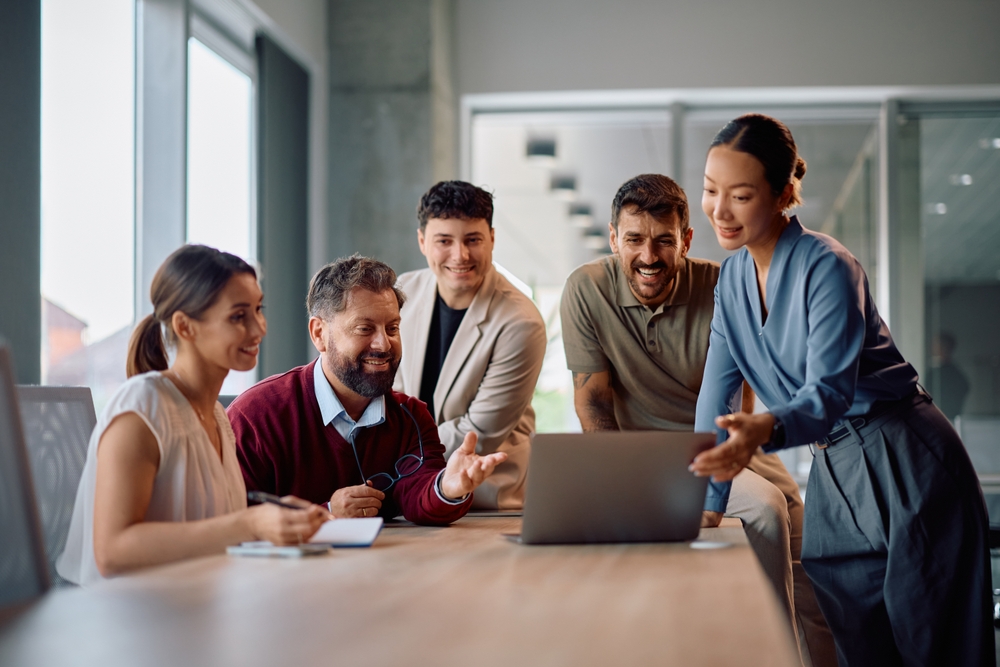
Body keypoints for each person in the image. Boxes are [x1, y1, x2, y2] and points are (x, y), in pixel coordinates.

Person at [690, 114, 993, 666]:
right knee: (856, 643)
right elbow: (716, 396)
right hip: (833, 467)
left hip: (903, 455)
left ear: (783, 194)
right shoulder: (730, 283)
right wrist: (706, 505)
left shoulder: (827, 265)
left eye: (740, 194)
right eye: (710, 191)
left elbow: (827, 391)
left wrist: (767, 427)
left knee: (933, 641)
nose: (719, 210)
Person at [560, 173, 835, 667]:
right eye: (635, 240)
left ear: (685, 240)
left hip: (718, 447)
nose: (649, 256)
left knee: (797, 550)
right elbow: (594, 402)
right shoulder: (586, 289)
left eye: (665, 241)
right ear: (612, 238)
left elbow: (737, 395)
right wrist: (618, 478)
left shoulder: (724, 283)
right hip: (638, 459)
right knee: (761, 512)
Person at [57, 245, 330, 586]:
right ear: (185, 327)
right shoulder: (143, 407)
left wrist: (271, 517)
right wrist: (250, 524)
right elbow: (113, 552)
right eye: (238, 316)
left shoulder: (216, 416)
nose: (259, 328)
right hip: (130, 622)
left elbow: (206, 529)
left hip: (195, 608)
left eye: (259, 310)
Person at [229, 255, 507, 525]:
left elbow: (419, 495)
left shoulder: (411, 417)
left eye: (392, 328)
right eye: (364, 329)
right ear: (319, 334)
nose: (384, 345)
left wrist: (446, 488)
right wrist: (327, 513)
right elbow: (234, 520)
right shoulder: (255, 416)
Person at [394, 181, 546, 509]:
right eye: (444, 241)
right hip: (407, 491)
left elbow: (477, 433)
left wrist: (386, 454)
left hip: (486, 502)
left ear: (491, 238)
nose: (460, 255)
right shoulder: (401, 292)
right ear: (422, 242)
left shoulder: (521, 323)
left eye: (472, 240)